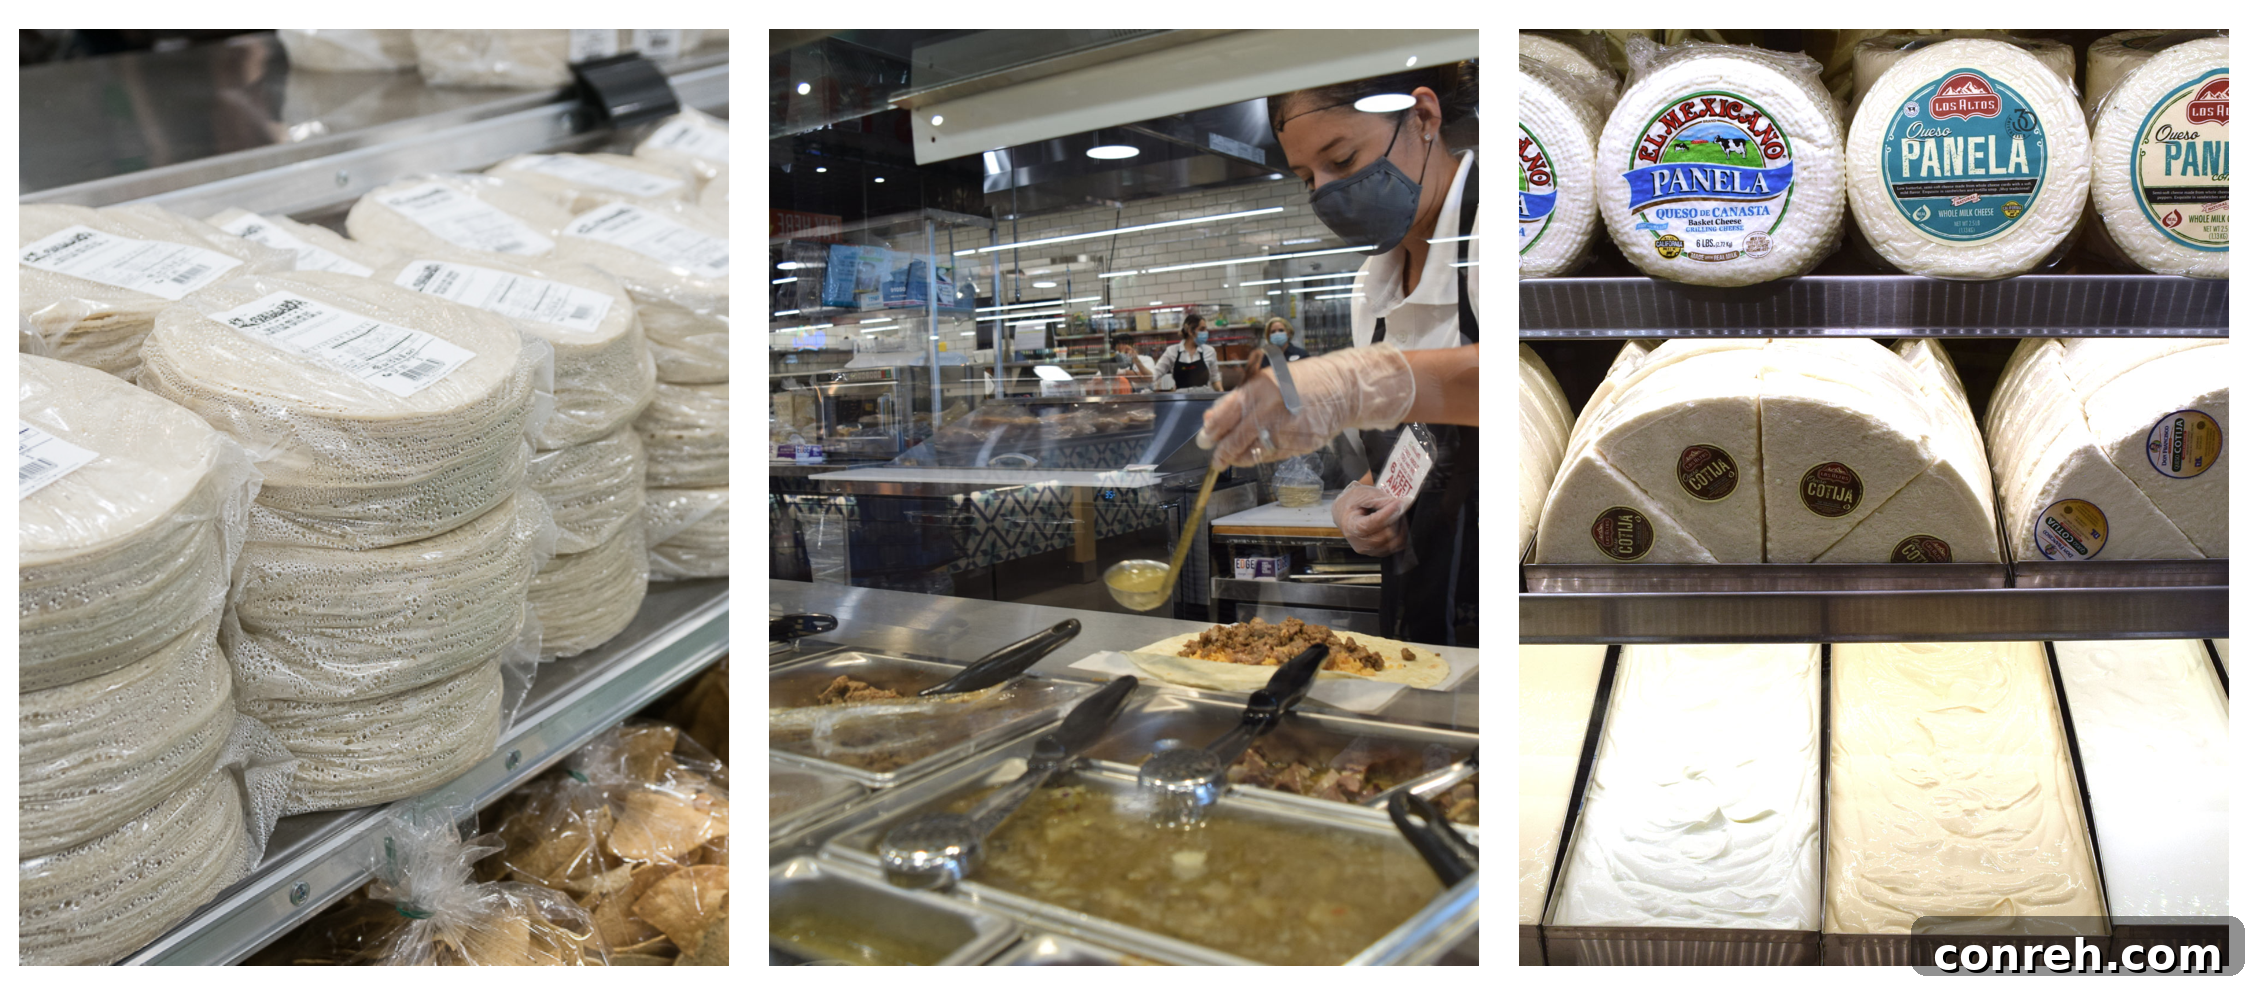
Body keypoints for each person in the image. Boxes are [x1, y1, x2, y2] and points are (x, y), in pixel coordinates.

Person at [1202, 61, 1480, 646]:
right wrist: (1359, 503)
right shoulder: (1369, 288)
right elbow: (1414, 448)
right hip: (1421, 603)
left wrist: (1351, 383)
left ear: (1424, 117)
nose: (1327, 191)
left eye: (1343, 160)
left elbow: (1528, 389)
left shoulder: (1506, 228)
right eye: (1307, 177)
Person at [1152, 313, 1225, 392]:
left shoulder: (1209, 351)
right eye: (1202, 329)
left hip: (1204, 398)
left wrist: (1222, 395)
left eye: (1206, 329)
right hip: (1181, 400)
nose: (1206, 332)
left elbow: (1215, 379)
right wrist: (1138, 362)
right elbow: (1154, 375)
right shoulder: (1172, 351)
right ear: (1190, 331)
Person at [1243, 317, 1311, 376]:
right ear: (1269, 336)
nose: (1277, 334)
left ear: (1288, 333)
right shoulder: (1264, 358)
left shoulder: (1301, 354)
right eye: (1273, 332)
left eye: (1281, 330)